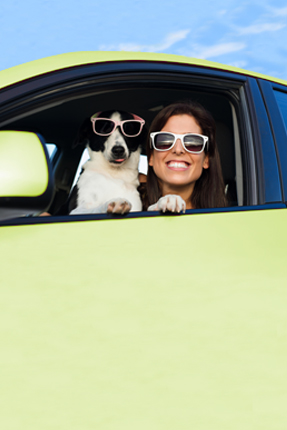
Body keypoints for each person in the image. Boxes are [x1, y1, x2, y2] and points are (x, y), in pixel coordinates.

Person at [141, 100, 227, 212]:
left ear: (206, 159)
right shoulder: (126, 205)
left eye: (192, 143)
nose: (178, 150)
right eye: (165, 140)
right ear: (151, 156)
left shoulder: (230, 219)